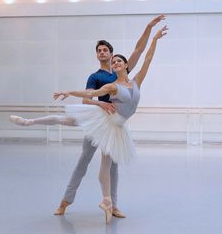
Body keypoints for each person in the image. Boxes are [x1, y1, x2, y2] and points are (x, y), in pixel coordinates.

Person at [10, 16, 166, 223]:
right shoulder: (96, 77)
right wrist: (100, 103)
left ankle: (113, 203)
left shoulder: (123, 71)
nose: (103, 53)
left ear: (114, 55)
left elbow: (140, 51)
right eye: (99, 51)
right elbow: (88, 98)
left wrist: (149, 29)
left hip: (114, 124)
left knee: (113, 167)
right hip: (98, 120)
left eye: (106, 50)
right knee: (83, 161)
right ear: (99, 56)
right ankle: (65, 201)